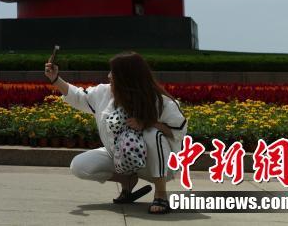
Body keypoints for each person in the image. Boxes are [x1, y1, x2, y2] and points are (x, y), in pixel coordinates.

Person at [44, 51, 187, 215]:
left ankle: (161, 193)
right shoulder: (104, 93)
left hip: (153, 165)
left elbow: (178, 131)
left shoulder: (157, 100)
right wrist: (55, 79)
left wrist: (147, 123)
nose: (109, 76)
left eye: (114, 73)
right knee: (79, 166)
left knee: (153, 134)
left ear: (128, 78)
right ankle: (127, 179)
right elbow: (78, 96)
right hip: (119, 156)